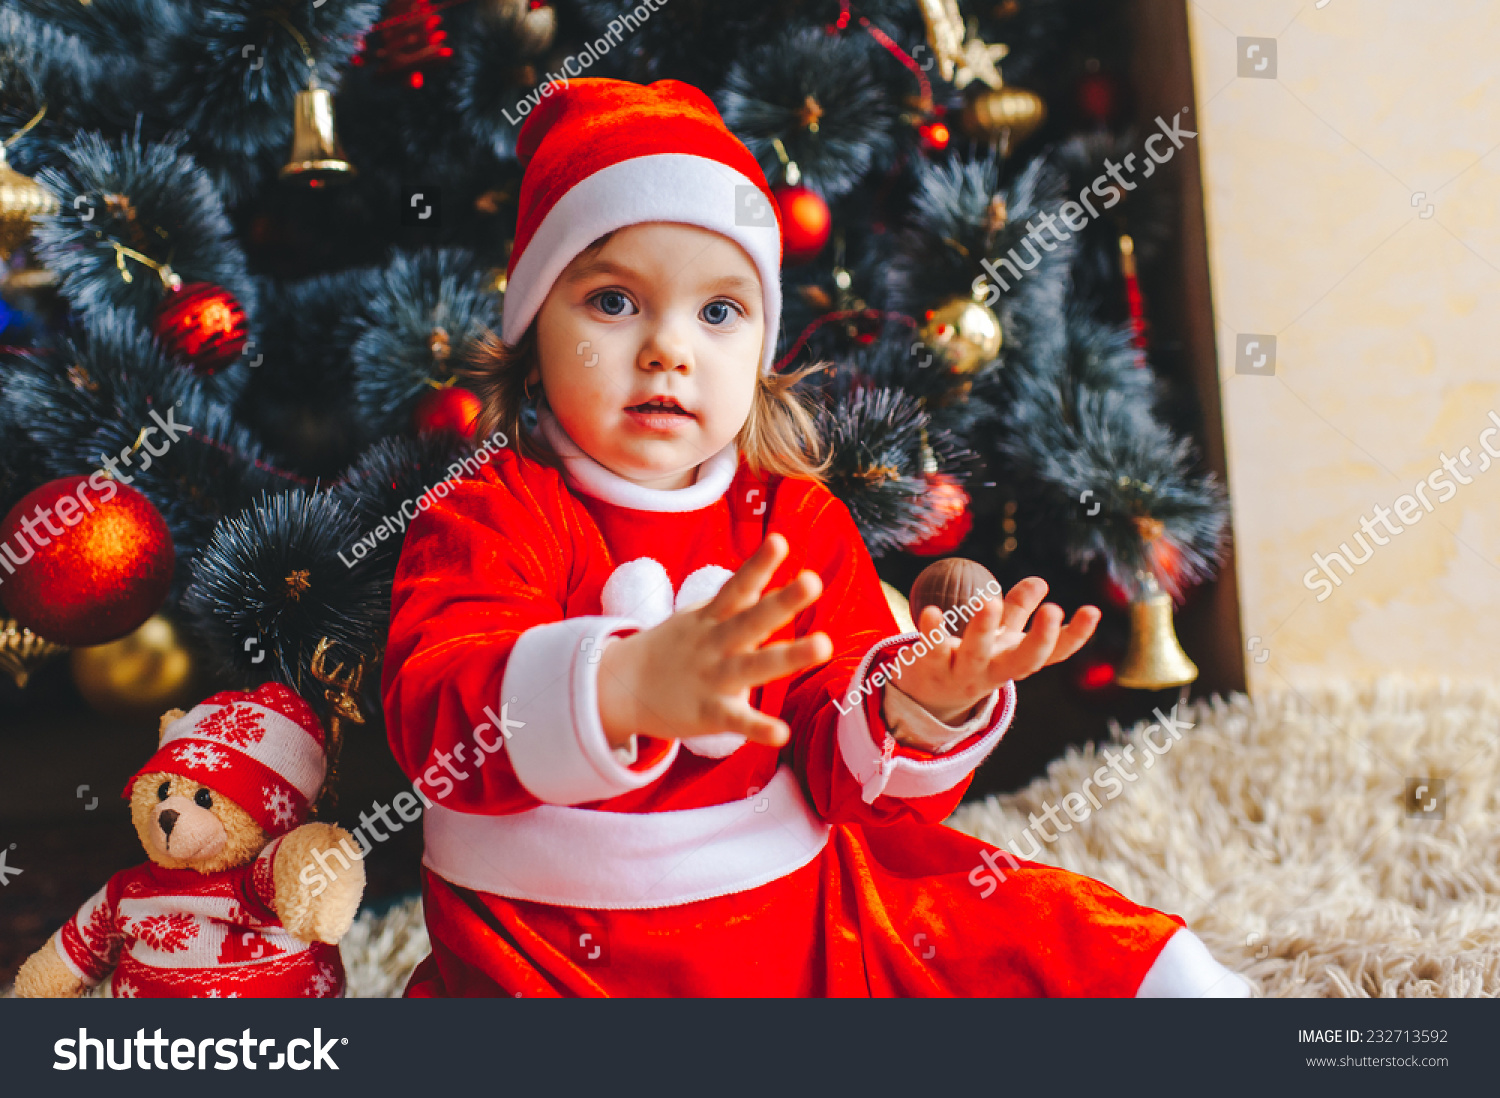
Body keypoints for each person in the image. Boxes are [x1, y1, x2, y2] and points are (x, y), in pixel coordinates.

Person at [380, 76, 1250, 998]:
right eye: (612, 302)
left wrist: (920, 700)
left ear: (759, 354)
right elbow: (433, 722)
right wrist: (622, 686)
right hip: (546, 950)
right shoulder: (488, 513)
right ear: (532, 328)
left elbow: (842, 765)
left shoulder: (789, 515)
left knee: (1013, 932)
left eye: (719, 312)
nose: (669, 348)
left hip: (787, 918)